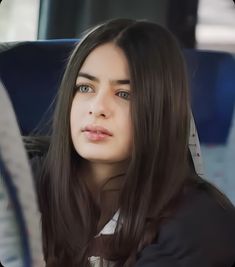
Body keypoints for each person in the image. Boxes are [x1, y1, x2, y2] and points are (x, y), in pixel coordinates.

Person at [27, 18, 235, 267]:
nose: (97, 108)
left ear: (160, 111)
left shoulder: (200, 223)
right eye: (84, 88)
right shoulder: (19, 175)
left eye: (124, 94)